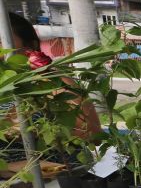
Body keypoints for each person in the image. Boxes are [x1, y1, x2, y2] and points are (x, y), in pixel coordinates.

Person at [1, 13, 101, 160]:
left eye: (1, 41)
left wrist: (38, 130)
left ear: (30, 45)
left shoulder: (50, 80)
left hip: (57, 176)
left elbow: (93, 134)